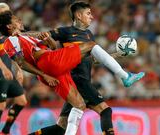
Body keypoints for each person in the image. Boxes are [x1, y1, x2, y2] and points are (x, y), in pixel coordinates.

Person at [28, 2, 145, 135]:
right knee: (105, 111)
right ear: (78, 15)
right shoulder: (66, 32)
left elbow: (94, 59)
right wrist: (22, 34)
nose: (92, 17)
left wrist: (117, 54)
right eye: (88, 13)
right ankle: (125, 76)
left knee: (61, 127)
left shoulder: (89, 34)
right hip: (78, 80)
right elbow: (41, 35)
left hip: (75, 84)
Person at [0, 3, 58, 135]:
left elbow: (14, 53)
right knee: (0, 106)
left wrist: (18, 69)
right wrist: (3, 68)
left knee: (21, 101)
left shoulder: (12, 32)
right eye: (2, 13)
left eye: (7, 12)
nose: (5, 15)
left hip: (9, 73)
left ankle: (5, 131)